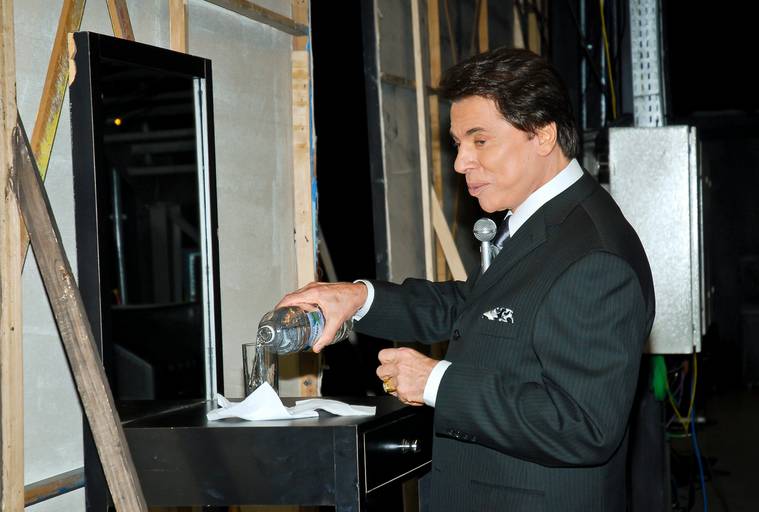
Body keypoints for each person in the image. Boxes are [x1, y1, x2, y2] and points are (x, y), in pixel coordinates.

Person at [276, 47, 654, 511]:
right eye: (458, 144)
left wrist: (436, 381)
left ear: (543, 134)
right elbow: (475, 307)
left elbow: (582, 425)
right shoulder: (542, 221)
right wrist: (358, 298)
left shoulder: (594, 256)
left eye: (480, 141)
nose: (460, 163)